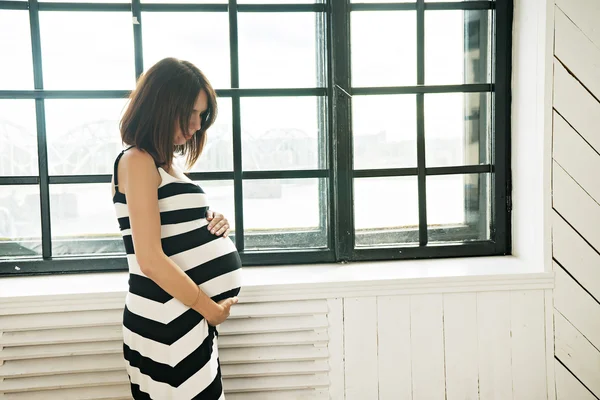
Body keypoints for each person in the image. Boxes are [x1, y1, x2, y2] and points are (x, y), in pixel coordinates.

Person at [111, 57, 242, 399]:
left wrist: (211, 221)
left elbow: (171, 225)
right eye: (191, 114)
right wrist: (211, 310)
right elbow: (150, 259)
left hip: (184, 316)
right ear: (162, 105)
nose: (197, 126)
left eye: (202, 116)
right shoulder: (136, 160)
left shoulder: (163, 164)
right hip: (166, 319)